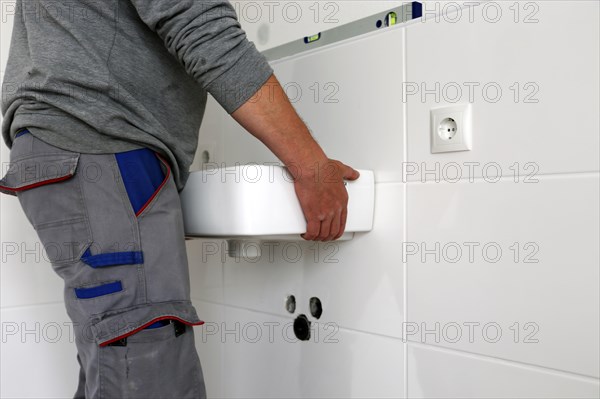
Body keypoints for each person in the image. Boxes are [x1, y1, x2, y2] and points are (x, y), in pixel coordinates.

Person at [0, 1, 358, 398]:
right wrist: (312, 166)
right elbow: (206, 32)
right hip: (102, 147)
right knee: (148, 364)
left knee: (121, 357)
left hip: (64, 149)